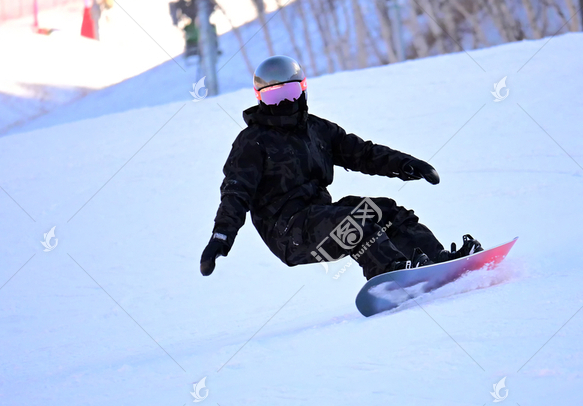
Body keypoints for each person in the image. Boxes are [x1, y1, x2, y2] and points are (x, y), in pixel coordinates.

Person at [200, 55, 482, 279]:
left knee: (387, 211)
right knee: (356, 224)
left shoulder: (317, 129)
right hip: (287, 232)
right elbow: (236, 192)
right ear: (260, 98)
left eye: (290, 91)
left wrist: (406, 164)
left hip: (319, 214)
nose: (284, 101)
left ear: (303, 90)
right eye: (273, 96)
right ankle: (391, 274)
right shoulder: (252, 142)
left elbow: (363, 154)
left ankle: (437, 260)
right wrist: (221, 236)